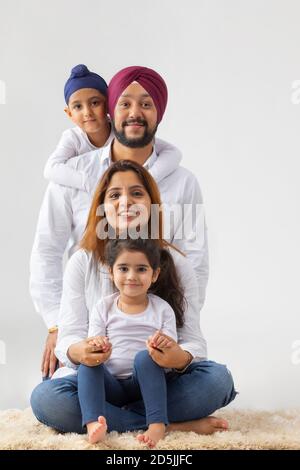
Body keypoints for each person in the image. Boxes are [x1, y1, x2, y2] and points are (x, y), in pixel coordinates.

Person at [30, 160, 237, 437]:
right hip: (103, 382)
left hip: (158, 380)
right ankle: (167, 423)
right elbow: (70, 335)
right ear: (102, 206)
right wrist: (79, 351)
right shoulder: (82, 261)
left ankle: (120, 418)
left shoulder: (176, 263)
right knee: (47, 399)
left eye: (137, 193)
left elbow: (193, 339)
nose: (125, 201)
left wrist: (179, 357)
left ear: (151, 204)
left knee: (217, 381)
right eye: (115, 194)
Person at [30, 65, 190, 379]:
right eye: (125, 103)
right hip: (91, 338)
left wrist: (180, 348)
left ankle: (141, 405)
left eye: (146, 104)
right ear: (112, 111)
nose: (134, 113)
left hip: (154, 339)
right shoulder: (72, 173)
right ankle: (155, 413)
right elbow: (46, 251)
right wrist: (59, 326)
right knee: (52, 400)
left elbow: (192, 261)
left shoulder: (180, 178)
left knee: (210, 382)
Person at [78, 237, 185, 447]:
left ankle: (156, 424)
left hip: (147, 385)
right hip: (111, 387)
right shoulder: (103, 307)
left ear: (155, 274)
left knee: (145, 357)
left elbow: (171, 351)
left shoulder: (162, 309)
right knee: (87, 364)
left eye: (141, 269)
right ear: (111, 272)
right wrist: (99, 346)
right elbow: (92, 343)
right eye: (124, 268)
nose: (132, 276)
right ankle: (93, 423)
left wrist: (164, 344)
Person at [44, 64, 181, 193]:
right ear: (69, 113)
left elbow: (173, 152)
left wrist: (148, 179)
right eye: (78, 106)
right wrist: (93, 184)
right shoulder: (72, 138)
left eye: (95, 103)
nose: (87, 112)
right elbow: (51, 169)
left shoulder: (123, 132)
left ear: (109, 105)